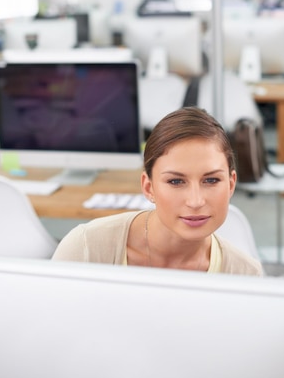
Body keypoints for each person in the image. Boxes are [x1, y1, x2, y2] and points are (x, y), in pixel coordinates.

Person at [52, 106, 263, 276]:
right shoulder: (85, 250)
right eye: (176, 181)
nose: (195, 201)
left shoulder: (246, 275)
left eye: (211, 180)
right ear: (148, 187)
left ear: (231, 184)